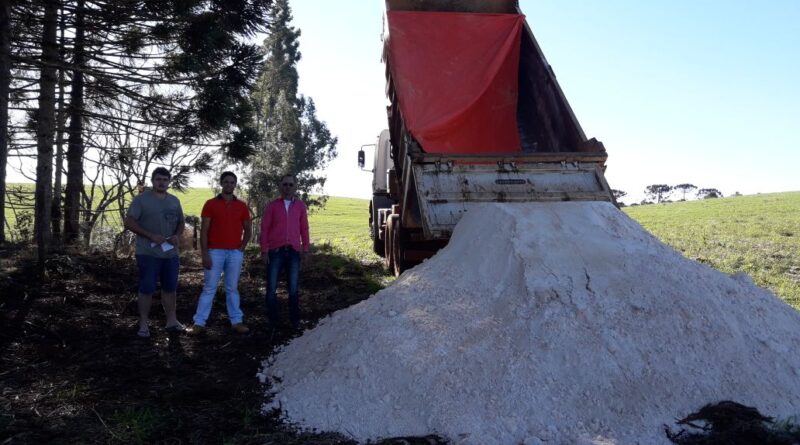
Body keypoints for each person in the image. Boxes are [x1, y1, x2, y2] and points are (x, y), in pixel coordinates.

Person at [187, 172, 252, 335]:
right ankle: (199, 323)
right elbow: (204, 231)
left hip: (234, 253)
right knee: (209, 288)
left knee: (232, 288)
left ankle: (236, 321)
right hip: (214, 252)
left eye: (232, 182)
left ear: (235, 185)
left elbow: (248, 230)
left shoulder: (242, 206)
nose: (229, 185)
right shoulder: (210, 204)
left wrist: (242, 248)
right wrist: (205, 254)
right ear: (221, 183)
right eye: (226, 182)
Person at [123, 167, 185, 338]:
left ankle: (172, 320)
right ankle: (143, 323)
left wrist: (176, 236)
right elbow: (128, 222)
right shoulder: (141, 200)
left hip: (170, 254)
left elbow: (181, 222)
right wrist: (150, 235)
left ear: (169, 182)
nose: (162, 182)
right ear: (152, 181)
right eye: (158, 179)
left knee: (170, 288)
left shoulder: (174, 201)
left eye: (165, 180)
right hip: (148, 253)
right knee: (147, 288)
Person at [260, 174, 310, 329]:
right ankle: (273, 322)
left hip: (294, 252)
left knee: (293, 289)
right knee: (271, 289)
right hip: (275, 252)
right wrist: (264, 250)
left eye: (290, 184)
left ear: (295, 186)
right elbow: (265, 228)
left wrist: (306, 248)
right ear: (280, 186)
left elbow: (304, 228)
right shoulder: (272, 205)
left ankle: (295, 321)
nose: (287, 187)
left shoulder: (300, 206)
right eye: (285, 184)